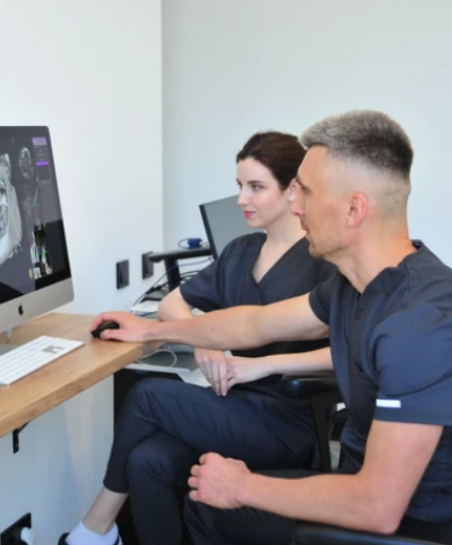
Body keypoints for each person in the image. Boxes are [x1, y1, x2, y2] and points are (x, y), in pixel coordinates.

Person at [90, 110, 452, 544]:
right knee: (195, 492)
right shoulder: (358, 286)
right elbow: (254, 324)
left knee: (215, 505)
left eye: (305, 191)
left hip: (414, 530)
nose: (294, 206)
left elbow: (377, 507)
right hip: (366, 490)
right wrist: (150, 331)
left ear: (354, 209)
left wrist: (242, 486)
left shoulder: (421, 326)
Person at [59, 131, 335, 545]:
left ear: (292, 188)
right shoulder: (241, 252)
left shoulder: (322, 260)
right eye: (239, 186)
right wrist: (205, 342)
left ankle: (96, 529)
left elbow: (344, 352)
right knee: (147, 460)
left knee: (148, 395)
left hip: (287, 422)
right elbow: (173, 302)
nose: (241, 199)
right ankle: (102, 532)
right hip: (232, 405)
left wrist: (260, 365)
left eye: (255, 187)